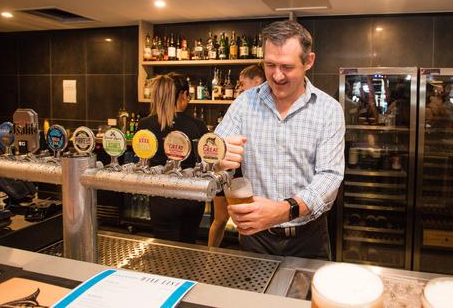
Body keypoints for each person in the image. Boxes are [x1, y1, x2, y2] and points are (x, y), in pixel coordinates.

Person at [214, 20, 345, 259]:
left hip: (308, 238)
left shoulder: (329, 110)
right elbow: (214, 149)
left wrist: (284, 210)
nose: (276, 75)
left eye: (286, 66)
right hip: (255, 238)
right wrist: (218, 157)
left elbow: (329, 176)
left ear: (309, 61)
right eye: (270, 65)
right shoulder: (245, 103)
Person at [137, 73, 208, 244]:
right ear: (182, 95)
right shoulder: (197, 125)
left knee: (164, 249)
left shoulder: (145, 125)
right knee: (188, 246)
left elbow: (142, 160)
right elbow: (205, 161)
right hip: (192, 197)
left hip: (161, 198)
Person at [208, 64, 266, 247]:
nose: (239, 89)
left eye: (242, 84)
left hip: (243, 178)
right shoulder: (241, 104)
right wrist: (220, 155)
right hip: (229, 174)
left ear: (257, 82)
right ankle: (211, 256)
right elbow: (214, 147)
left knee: (243, 221)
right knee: (220, 219)